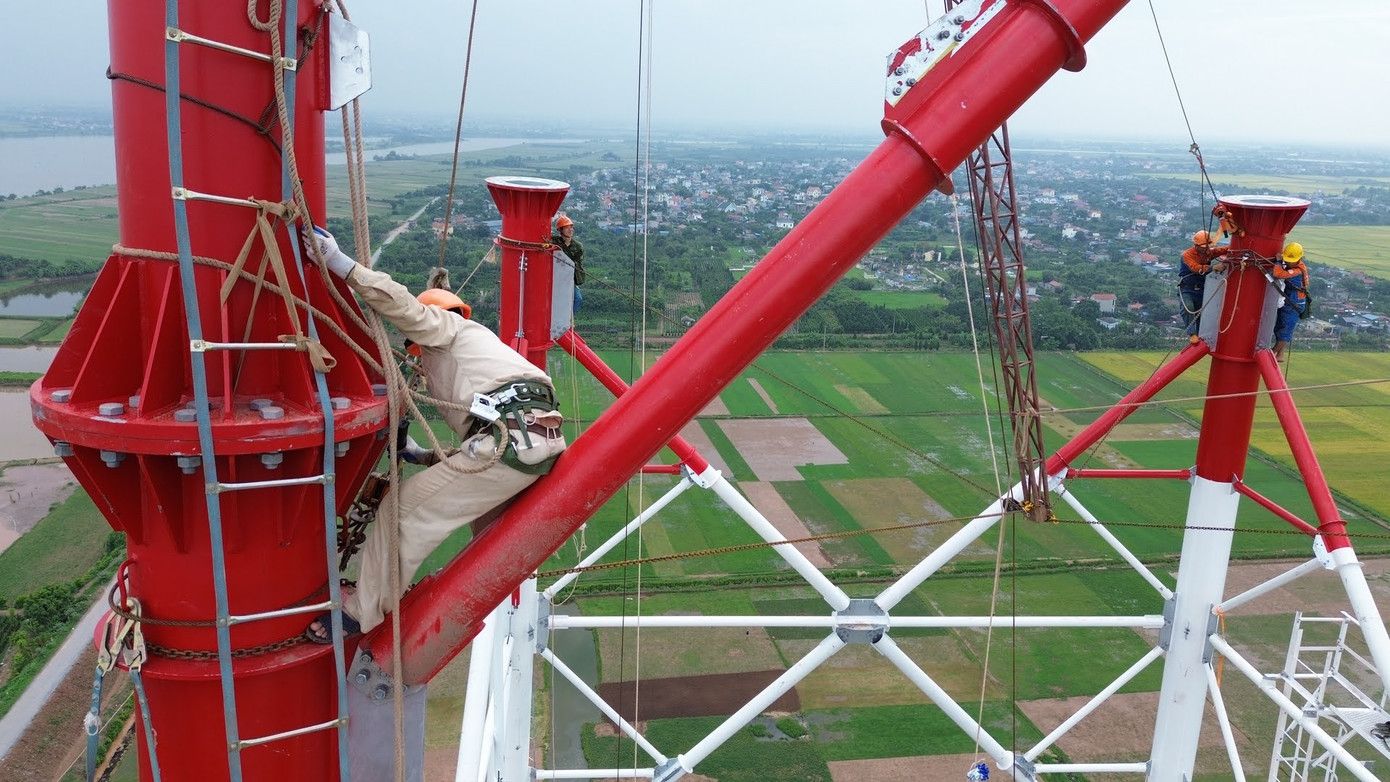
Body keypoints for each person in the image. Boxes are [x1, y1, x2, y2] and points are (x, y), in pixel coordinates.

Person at [300, 226, 566, 641]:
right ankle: (442, 590)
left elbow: (404, 307)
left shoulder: (447, 329)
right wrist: (422, 454)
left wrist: (340, 264)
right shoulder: (483, 351)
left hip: (508, 445)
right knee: (485, 539)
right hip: (528, 445)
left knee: (400, 512)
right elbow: (483, 433)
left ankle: (359, 614)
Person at [1179, 229, 1229, 345]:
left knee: (1204, 311)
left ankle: (1202, 334)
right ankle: (1192, 333)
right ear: (1196, 245)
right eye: (1203, 246)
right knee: (1188, 308)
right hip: (1187, 287)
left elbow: (1219, 251)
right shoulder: (1187, 255)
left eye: (1207, 246)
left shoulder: (1207, 252)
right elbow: (1195, 267)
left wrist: (1233, 248)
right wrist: (1212, 268)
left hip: (1201, 288)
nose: (1205, 248)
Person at [1271, 241, 1310, 361]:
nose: (1288, 262)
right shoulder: (1296, 265)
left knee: (1285, 328)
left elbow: (1277, 273)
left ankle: (1273, 352)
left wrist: (1278, 262)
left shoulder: (1297, 271)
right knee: (1279, 326)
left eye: (1290, 260)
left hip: (1295, 302)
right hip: (1291, 299)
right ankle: (1281, 354)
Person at [551, 214, 585, 314]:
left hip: (569, 279)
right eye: (567, 228)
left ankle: (568, 318)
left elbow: (579, 263)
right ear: (560, 230)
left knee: (578, 299)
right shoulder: (554, 242)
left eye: (571, 227)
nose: (570, 230)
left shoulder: (577, 246)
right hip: (555, 278)